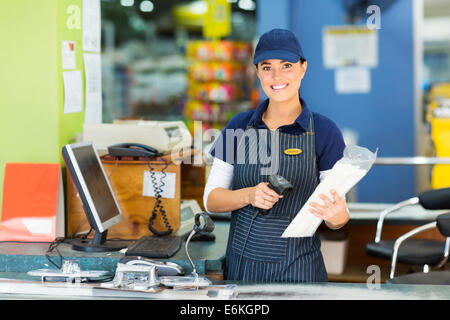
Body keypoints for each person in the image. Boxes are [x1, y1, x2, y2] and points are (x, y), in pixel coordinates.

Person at [203, 29, 349, 283]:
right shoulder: (238, 126)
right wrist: (249, 195)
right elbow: (211, 200)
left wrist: (336, 215)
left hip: (300, 273)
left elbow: (340, 218)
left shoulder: (325, 132)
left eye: (287, 66)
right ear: (257, 72)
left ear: (303, 68)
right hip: (242, 272)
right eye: (267, 67)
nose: (277, 76)